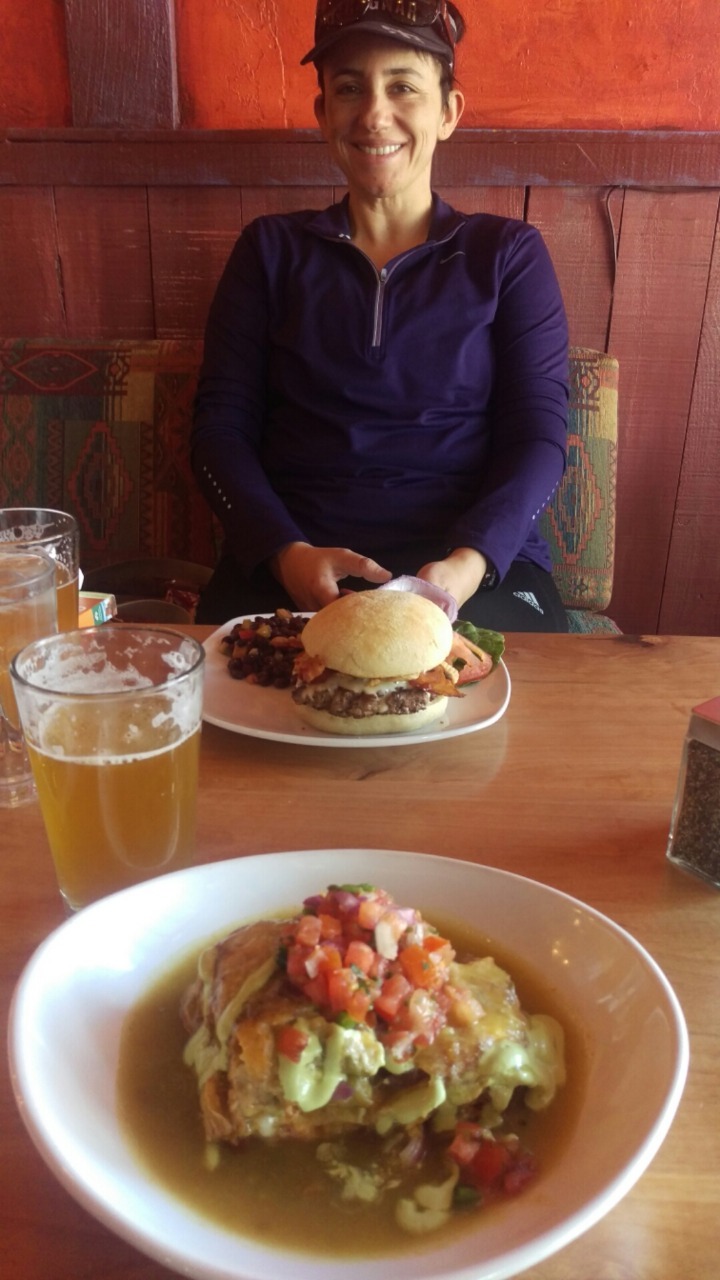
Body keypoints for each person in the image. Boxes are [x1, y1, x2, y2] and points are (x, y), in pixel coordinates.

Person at [191, 0, 569, 631]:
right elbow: (218, 432)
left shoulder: (508, 255)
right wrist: (286, 553)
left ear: (448, 112)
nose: (373, 114)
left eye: (403, 86)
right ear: (322, 113)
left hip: (472, 572)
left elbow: (539, 436)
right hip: (294, 566)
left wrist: (468, 564)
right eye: (349, 88)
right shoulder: (269, 251)